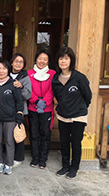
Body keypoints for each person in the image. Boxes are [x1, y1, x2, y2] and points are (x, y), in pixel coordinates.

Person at [52, 46, 92, 179]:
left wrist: (79, 108)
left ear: (71, 60)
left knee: (75, 142)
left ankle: (74, 167)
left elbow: (88, 96)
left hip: (78, 116)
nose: (63, 61)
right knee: (64, 142)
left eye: (66, 58)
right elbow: (58, 97)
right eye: (61, 58)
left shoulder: (79, 78)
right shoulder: (56, 80)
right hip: (63, 115)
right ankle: (65, 166)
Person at [0, 59, 24, 175]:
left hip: (10, 119)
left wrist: (19, 115)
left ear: (8, 70)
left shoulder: (13, 84)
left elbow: (19, 102)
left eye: (4, 68)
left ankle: (8, 163)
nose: (1, 71)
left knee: (9, 141)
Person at [28, 50, 56, 169]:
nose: (42, 61)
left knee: (45, 134)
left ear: (48, 61)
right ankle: (35, 159)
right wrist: (36, 100)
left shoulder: (53, 73)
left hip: (47, 108)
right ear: (35, 60)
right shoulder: (29, 73)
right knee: (34, 134)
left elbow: (52, 90)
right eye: (40, 58)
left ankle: (43, 160)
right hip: (32, 108)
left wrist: (44, 102)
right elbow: (28, 90)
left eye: (45, 59)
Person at [9, 53, 32, 167]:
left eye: (21, 62)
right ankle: (9, 156)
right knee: (9, 134)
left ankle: (18, 158)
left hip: (20, 110)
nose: (18, 63)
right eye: (16, 61)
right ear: (12, 62)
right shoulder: (6, 75)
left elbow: (28, 95)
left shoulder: (25, 77)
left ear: (23, 65)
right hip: (7, 110)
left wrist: (21, 87)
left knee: (19, 133)